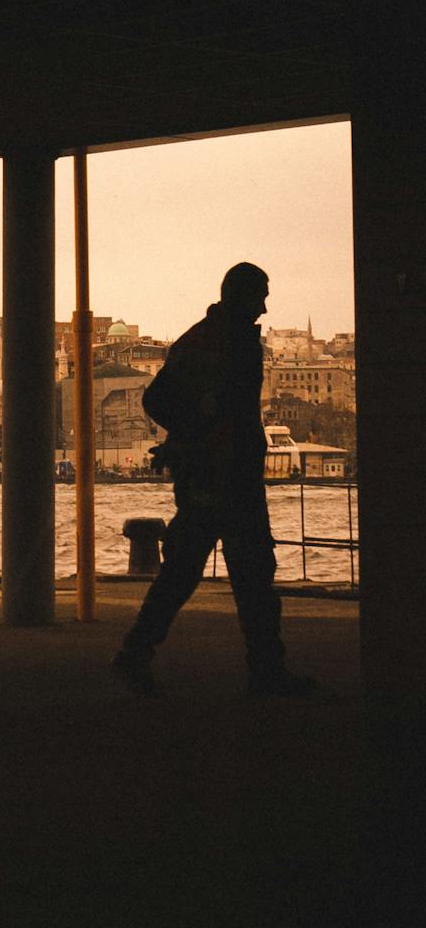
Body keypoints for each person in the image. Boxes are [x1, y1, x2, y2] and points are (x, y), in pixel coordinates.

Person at [111, 263, 316, 697]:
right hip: (226, 475)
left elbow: (162, 399)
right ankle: (266, 671)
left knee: (184, 574)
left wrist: (187, 434)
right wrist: (200, 429)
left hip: (210, 473)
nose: (264, 306)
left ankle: (135, 654)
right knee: (253, 576)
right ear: (240, 296)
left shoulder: (202, 338)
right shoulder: (226, 342)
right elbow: (186, 403)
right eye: (260, 295)